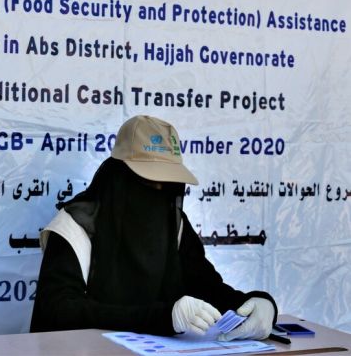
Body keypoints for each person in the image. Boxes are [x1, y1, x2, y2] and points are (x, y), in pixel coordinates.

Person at [30, 115, 277, 339]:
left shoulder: (172, 223)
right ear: (120, 176)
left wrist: (254, 304)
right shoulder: (75, 228)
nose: (158, 194)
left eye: (167, 185)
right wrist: (162, 317)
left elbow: (206, 286)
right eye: (149, 182)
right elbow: (58, 311)